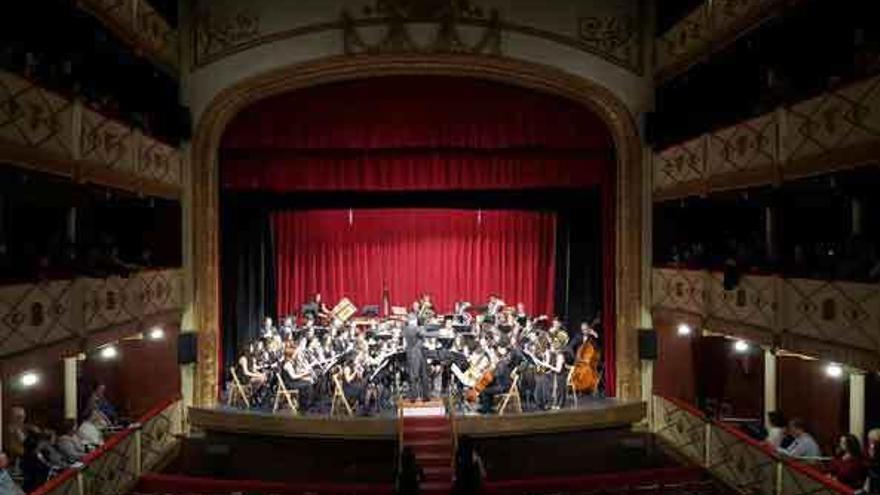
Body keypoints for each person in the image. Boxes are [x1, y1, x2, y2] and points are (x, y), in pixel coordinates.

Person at [403, 318, 430, 402]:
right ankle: (413, 396)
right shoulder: (409, 329)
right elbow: (422, 334)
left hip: (421, 353)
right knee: (414, 376)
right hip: (413, 354)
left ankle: (425, 396)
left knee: (424, 375)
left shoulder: (416, 329)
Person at [865, 429, 880, 493]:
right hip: (870, 475)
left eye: (871, 439)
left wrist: (872, 457)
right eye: (869, 439)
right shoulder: (869, 447)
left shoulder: (876, 448)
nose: (869, 441)